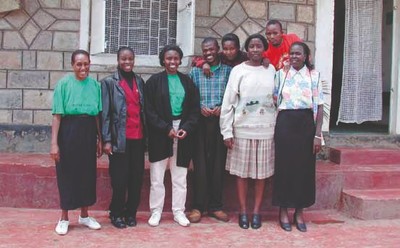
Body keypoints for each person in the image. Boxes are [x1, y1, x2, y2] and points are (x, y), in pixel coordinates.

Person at [220, 34, 276, 229]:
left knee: (261, 175)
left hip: (266, 130)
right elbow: (228, 102)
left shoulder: (272, 70)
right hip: (242, 129)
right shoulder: (238, 71)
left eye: (258, 46)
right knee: (241, 174)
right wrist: (227, 131)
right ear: (246, 49)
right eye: (251, 46)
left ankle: (256, 212)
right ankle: (243, 211)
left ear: (264, 48)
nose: (255, 49)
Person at [145, 45, 200, 227]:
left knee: (180, 176)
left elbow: (194, 109)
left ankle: (178, 211)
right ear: (163, 60)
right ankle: (156, 211)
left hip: (182, 131)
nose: (172, 62)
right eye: (169, 59)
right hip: (160, 133)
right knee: (157, 175)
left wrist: (187, 128)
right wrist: (164, 128)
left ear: (180, 60)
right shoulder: (154, 81)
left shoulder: (187, 81)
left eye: (176, 58)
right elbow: (149, 111)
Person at [272, 42, 323, 232]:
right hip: (285, 123)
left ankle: (299, 211)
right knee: (284, 167)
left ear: (306, 56)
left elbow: (320, 108)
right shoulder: (280, 75)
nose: (294, 57)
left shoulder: (314, 76)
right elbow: (274, 99)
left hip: (305, 124)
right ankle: (283, 210)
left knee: (304, 168)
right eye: (291, 53)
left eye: (298, 54)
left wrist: (317, 135)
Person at [51, 49, 102, 235]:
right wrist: (54, 144)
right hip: (68, 131)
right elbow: (57, 116)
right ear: (72, 65)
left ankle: (85, 214)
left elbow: (97, 115)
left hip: (88, 132)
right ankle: (64, 217)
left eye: (86, 63)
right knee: (67, 173)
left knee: (87, 173)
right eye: (79, 64)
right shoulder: (63, 85)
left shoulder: (95, 86)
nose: (83, 67)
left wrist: (100, 139)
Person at [100, 47, 146, 229]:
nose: (127, 62)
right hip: (119, 140)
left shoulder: (140, 81)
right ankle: (116, 213)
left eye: (130, 59)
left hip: (138, 138)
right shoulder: (109, 83)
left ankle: (131, 213)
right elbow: (105, 114)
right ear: (118, 60)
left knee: (136, 178)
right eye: (123, 59)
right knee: (119, 179)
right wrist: (107, 140)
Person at [188, 37, 232, 223]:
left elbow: (233, 96)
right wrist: (199, 108)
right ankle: (197, 206)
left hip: (221, 123)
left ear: (218, 50)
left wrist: (223, 107)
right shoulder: (195, 72)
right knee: (200, 165)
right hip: (200, 122)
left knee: (217, 165)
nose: (208, 53)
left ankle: (215, 206)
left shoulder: (229, 71)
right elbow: (189, 98)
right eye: (205, 50)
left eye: (212, 49)